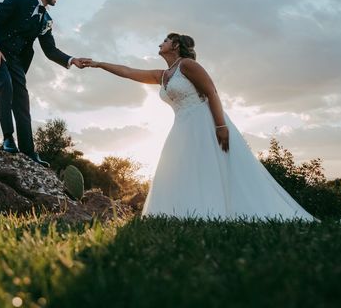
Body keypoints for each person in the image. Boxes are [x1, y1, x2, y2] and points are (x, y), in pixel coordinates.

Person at [84, 33, 315, 220]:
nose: (160, 42)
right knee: (182, 169)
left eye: (165, 40)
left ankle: (220, 211)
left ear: (175, 45)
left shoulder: (188, 65)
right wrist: (98, 64)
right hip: (181, 127)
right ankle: (186, 213)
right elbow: (129, 72)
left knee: (212, 166)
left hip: (204, 121)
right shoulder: (163, 75)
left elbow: (212, 92)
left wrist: (221, 126)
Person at [0, 0, 90, 167]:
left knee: (22, 102)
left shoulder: (46, 20)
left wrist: (72, 60)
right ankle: (8, 139)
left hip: (16, 61)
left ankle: (28, 151)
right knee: (5, 86)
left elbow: (50, 50)